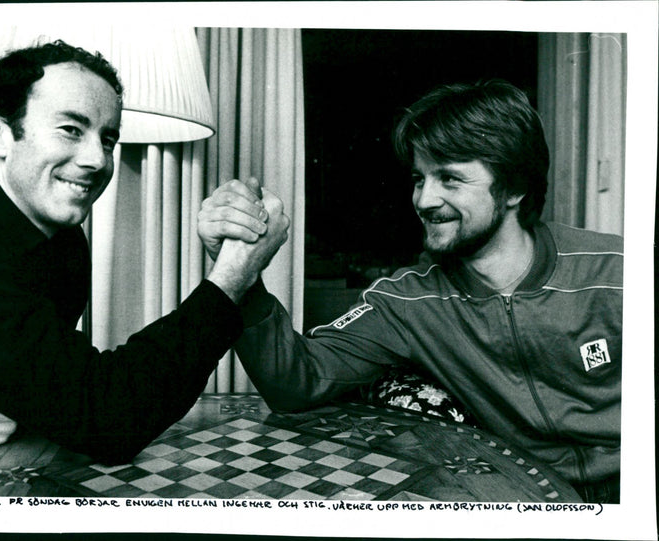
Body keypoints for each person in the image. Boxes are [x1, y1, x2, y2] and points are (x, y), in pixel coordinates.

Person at [0, 40, 289, 495]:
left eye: (107, 138)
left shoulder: (63, 239)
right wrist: (233, 273)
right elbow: (104, 414)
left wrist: (22, 400)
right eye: (72, 129)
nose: (98, 159)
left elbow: (58, 387)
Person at [197, 80, 622, 503]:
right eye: (420, 178)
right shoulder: (406, 300)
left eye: (451, 179)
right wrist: (242, 270)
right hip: (531, 501)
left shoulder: (617, 271)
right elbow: (297, 382)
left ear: (514, 189)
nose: (424, 199)